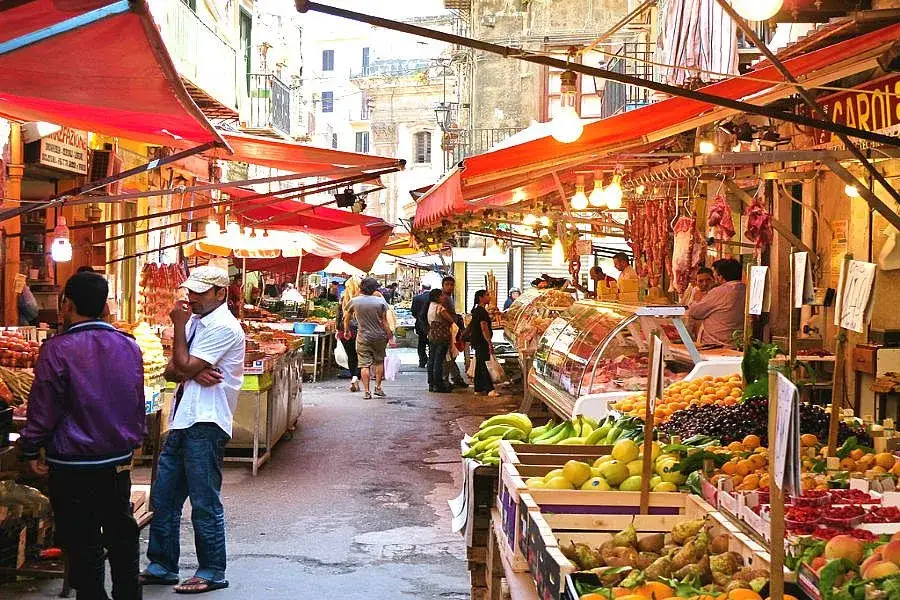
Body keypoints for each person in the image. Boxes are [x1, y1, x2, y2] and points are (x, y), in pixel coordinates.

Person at [19, 271, 145, 600]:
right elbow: (136, 400)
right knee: (121, 531)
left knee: (82, 539)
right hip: (116, 460)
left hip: (71, 462)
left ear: (67, 304)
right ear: (104, 307)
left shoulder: (57, 349)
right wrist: (133, 441)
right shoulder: (128, 346)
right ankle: (128, 594)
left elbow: (43, 407)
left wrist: (30, 450)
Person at [142, 265, 245, 593]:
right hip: (185, 419)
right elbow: (173, 370)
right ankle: (162, 564)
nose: (192, 297)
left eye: (200, 292)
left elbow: (182, 365)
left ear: (220, 293)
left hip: (207, 421)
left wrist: (186, 358)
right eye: (191, 291)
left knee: (203, 501)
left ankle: (212, 570)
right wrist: (191, 369)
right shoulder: (197, 323)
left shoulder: (224, 326)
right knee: (164, 497)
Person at [344, 277, 393, 399]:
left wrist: (346, 331)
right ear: (374, 288)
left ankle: (367, 391)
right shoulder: (381, 302)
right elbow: (385, 322)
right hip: (379, 336)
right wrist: (390, 337)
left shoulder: (354, 301)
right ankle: (378, 387)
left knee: (364, 364)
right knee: (379, 361)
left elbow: (346, 318)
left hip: (363, 336)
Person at [686, 258, 746, 347]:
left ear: (720, 276)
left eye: (715, 274)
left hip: (716, 345)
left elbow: (695, 312)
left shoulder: (719, 291)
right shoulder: (745, 290)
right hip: (737, 344)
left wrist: (695, 300)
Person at [440, 276, 467, 389]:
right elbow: (443, 313)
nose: (450, 287)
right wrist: (453, 322)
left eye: (452, 285)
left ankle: (456, 378)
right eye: (447, 284)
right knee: (448, 356)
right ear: (443, 285)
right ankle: (445, 380)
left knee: (451, 355)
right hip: (446, 331)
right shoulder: (443, 298)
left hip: (451, 329)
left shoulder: (449, 297)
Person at [470, 290, 499, 397]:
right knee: (485, 365)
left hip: (478, 340)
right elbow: (484, 327)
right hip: (482, 341)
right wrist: (489, 342)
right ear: (480, 298)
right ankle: (489, 389)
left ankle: (478, 388)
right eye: (487, 295)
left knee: (479, 364)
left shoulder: (478, 310)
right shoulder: (481, 311)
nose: (489, 297)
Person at [426, 288, 454, 393]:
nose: (443, 297)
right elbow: (450, 320)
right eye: (441, 295)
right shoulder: (440, 308)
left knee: (432, 359)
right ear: (437, 297)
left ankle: (431, 383)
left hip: (432, 335)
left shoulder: (430, 306)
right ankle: (438, 384)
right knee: (439, 360)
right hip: (441, 336)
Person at [336, 277, 362, 392]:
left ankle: (353, 376)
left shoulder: (343, 298)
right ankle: (356, 376)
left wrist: (338, 329)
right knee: (360, 356)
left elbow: (338, 316)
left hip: (344, 331)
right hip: (359, 330)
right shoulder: (361, 298)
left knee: (351, 356)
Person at [411, 284, 432, 368]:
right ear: (430, 288)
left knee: (421, 343)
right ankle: (431, 360)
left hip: (420, 324)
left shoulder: (417, 298)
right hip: (432, 324)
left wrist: (419, 318)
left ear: (422, 288)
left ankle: (422, 361)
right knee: (432, 344)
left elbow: (413, 312)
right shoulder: (434, 298)